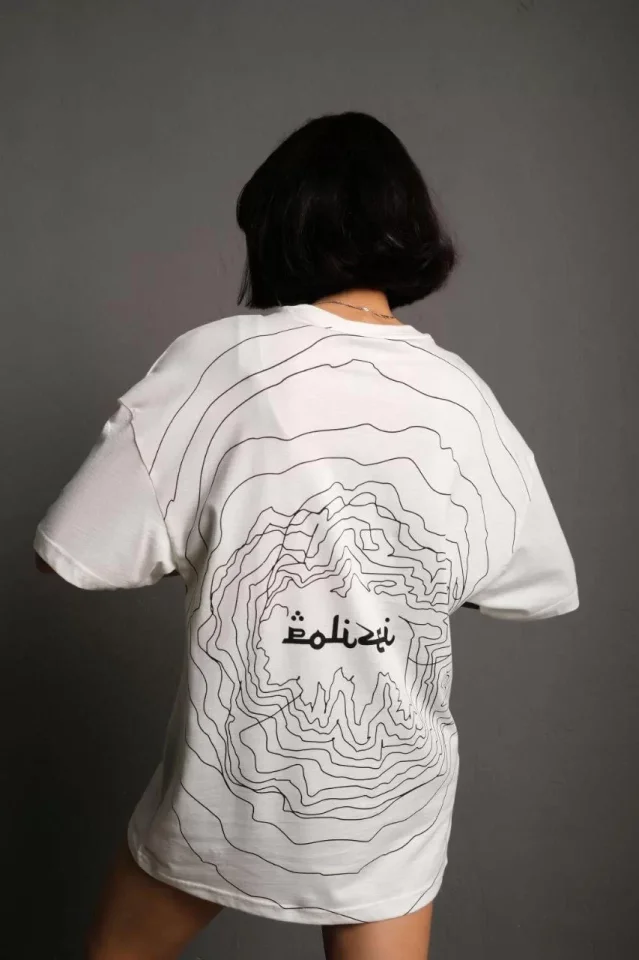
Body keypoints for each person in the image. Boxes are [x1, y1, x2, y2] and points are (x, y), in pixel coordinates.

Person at [34, 111, 579, 960]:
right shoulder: (461, 396)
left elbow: (71, 551)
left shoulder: (219, 364)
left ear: (277, 227)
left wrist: (210, 539)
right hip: (390, 805)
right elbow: (534, 584)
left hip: (228, 794)